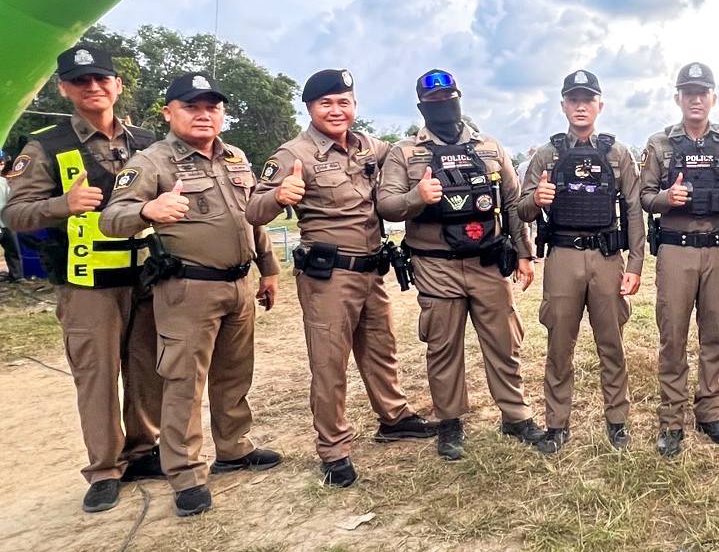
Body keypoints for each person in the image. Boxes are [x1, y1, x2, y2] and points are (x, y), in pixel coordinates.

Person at [100, 72, 282, 518]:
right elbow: (111, 218)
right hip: (187, 289)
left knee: (234, 373)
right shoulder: (151, 162)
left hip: (238, 284)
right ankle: (184, 473)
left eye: (212, 107)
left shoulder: (235, 156)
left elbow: (251, 218)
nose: (204, 115)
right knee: (184, 382)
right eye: (191, 106)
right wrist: (148, 209)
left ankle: (234, 448)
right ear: (168, 113)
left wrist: (269, 269)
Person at [247, 69, 437, 487]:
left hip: (371, 270)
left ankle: (394, 418)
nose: (336, 110)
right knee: (330, 364)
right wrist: (279, 195)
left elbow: (406, 153)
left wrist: (436, 135)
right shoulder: (292, 154)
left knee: (381, 349)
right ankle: (333, 449)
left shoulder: (368, 145)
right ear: (310, 108)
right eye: (326, 103)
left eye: (344, 102)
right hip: (328, 276)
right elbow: (253, 211)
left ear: (354, 105)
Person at [0, 46, 163, 513]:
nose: (93, 87)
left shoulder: (148, 141)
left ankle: (143, 450)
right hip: (87, 284)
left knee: (147, 369)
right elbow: (13, 215)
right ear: (64, 89)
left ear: (117, 85)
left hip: (145, 276)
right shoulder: (45, 145)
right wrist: (62, 205)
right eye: (80, 80)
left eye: (101, 78)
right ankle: (105, 468)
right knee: (96, 376)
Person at [376, 70, 541, 461]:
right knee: (443, 347)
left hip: (488, 262)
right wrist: (417, 196)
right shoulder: (405, 152)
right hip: (437, 266)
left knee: (504, 343)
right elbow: (386, 204)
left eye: (448, 97)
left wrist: (524, 253)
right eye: (433, 101)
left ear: (458, 98)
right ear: (422, 106)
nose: (442, 105)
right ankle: (450, 421)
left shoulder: (490, 146)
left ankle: (516, 416)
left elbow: (512, 204)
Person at [519, 70, 645, 454]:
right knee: (560, 346)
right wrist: (536, 199)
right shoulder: (547, 154)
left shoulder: (617, 153)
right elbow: (520, 209)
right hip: (563, 259)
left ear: (599, 105)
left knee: (612, 344)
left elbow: (634, 210)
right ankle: (556, 425)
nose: (580, 106)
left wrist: (635, 264)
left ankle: (617, 422)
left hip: (607, 258)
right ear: (563, 105)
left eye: (587, 99)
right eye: (573, 99)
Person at [639, 63, 719, 457]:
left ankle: (710, 412)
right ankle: (671, 420)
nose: (695, 99)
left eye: (702, 92)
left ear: (713, 98)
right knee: (672, 335)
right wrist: (666, 199)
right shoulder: (660, 144)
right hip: (676, 249)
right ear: (678, 98)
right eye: (688, 92)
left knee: (714, 333)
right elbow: (643, 197)